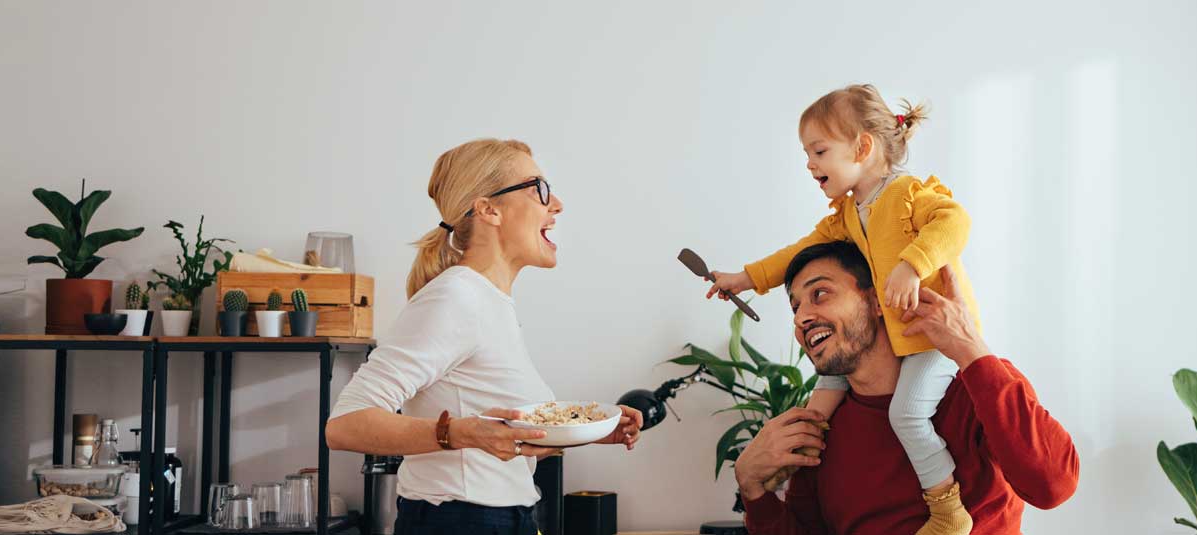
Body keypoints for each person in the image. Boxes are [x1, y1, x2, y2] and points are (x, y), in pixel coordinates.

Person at [325, 138, 643, 535]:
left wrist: (588, 430)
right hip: (461, 521)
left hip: (498, 518)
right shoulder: (456, 297)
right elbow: (345, 425)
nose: (556, 203)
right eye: (538, 189)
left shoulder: (488, 302)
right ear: (488, 208)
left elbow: (496, 433)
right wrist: (456, 432)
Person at [702, 84, 982, 534]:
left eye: (818, 150)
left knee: (907, 415)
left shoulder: (908, 194)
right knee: (818, 411)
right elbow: (798, 251)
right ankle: (794, 474)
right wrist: (744, 279)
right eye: (807, 153)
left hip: (929, 339)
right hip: (892, 338)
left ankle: (946, 509)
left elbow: (955, 221)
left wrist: (914, 265)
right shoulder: (848, 215)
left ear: (862, 146)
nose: (809, 164)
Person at [732, 241, 1078, 534]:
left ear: (877, 301)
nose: (800, 318)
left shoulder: (977, 387)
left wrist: (970, 348)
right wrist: (753, 487)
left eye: (819, 294)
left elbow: (1053, 487)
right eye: (795, 306)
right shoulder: (821, 425)